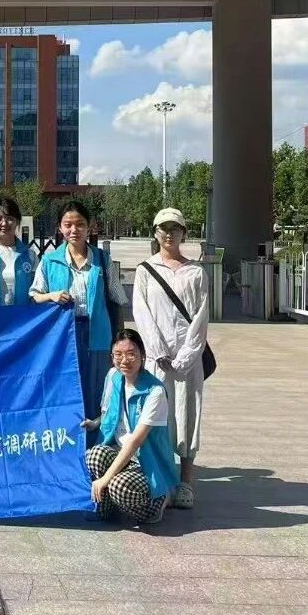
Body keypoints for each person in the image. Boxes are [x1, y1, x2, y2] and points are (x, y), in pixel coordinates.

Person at [133, 207, 209, 510]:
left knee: (189, 415)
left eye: (174, 228)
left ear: (183, 233)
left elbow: (201, 319)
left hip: (189, 359)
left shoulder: (196, 272)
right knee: (158, 417)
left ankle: (185, 481)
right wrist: (158, 351)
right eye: (163, 228)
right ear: (155, 232)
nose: (169, 234)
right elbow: (141, 313)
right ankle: (162, 480)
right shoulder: (145, 270)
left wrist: (186, 356)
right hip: (157, 359)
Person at [30, 200, 128, 420]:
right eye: (68, 224)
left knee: (99, 393)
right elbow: (34, 296)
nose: (74, 230)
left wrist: (119, 341)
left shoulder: (102, 260)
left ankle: (97, 440)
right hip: (63, 339)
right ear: (60, 227)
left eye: (80, 224)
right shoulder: (49, 261)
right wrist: (51, 296)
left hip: (98, 337)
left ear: (89, 226)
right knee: (66, 392)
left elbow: (118, 300)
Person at [86, 329, 178, 526]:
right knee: (94, 454)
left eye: (131, 354)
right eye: (118, 354)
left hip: (146, 463)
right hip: (121, 453)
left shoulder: (155, 391)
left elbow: (136, 440)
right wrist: (94, 423)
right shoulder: (114, 377)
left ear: (142, 356)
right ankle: (106, 508)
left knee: (118, 486)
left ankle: (156, 503)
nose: (124, 360)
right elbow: (110, 412)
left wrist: (105, 479)